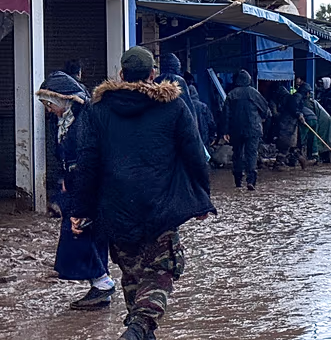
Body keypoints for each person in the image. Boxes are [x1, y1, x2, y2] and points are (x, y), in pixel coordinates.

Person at [68, 46, 215, 340]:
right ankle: (138, 327)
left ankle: (139, 331)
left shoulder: (97, 111)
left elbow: (87, 165)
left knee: (133, 275)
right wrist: (202, 199)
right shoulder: (173, 106)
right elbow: (195, 156)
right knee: (163, 269)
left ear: (122, 75)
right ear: (152, 74)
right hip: (161, 206)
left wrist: (80, 211)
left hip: (116, 209)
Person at [36, 72, 115, 311]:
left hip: (87, 187)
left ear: (62, 100)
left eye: (50, 104)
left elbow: (88, 161)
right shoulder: (65, 121)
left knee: (79, 233)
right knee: (85, 233)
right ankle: (101, 284)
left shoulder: (83, 121)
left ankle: (102, 282)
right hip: (77, 185)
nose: (49, 110)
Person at [223, 70, 270, 190]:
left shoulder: (231, 94)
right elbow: (265, 110)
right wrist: (262, 119)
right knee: (252, 154)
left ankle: (238, 180)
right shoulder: (254, 93)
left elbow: (226, 115)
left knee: (237, 154)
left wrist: (225, 131)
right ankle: (251, 181)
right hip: (253, 129)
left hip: (236, 130)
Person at [154, 53, 196, 124]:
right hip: (177, 121)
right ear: (175, 66)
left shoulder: (156, 80)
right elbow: (187, 105)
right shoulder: (179, 81)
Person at [270, 85, 304, 169]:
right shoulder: (291, 100)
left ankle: (279, 163)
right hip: (291, 126)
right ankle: (300, 159)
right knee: (291, 145)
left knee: (284, 146)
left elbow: (276, 114)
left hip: (286, 126)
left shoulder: (286, 101)